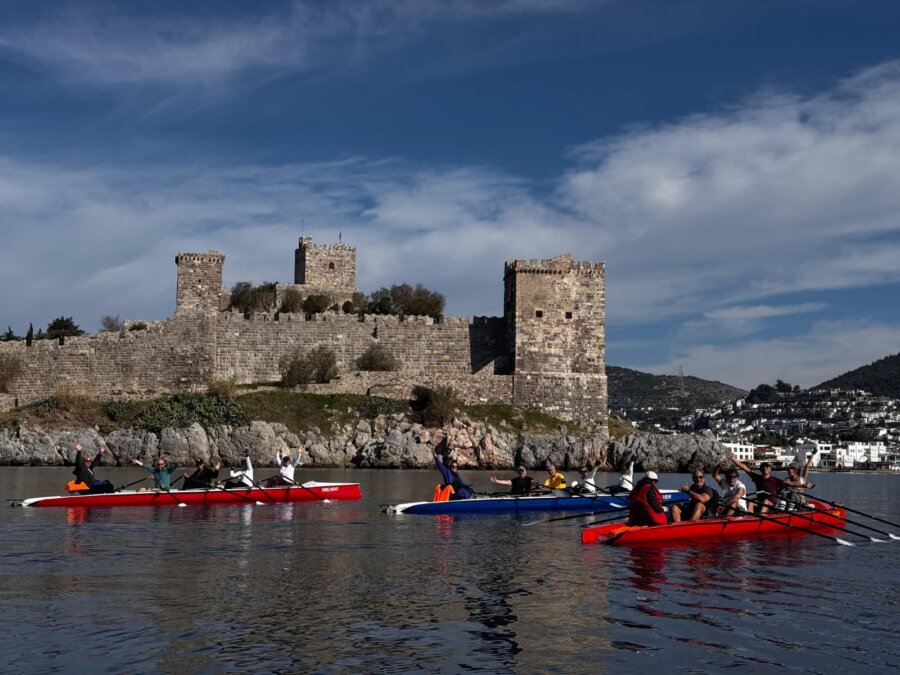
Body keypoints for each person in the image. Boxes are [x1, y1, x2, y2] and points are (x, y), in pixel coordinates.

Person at [726, 451, 794, 513]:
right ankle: (750, 518)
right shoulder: (757, 478)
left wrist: (800, 484)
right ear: (760, 470)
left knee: (765, 501)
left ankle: (761, 518)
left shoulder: (775, 480)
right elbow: (745, 468)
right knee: (750, 502)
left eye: (767, 467)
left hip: (772, 504)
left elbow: (790, 483)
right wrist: (734, 459)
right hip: (760, 503)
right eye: (763, 467)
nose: (765, 468)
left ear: (770, 469)